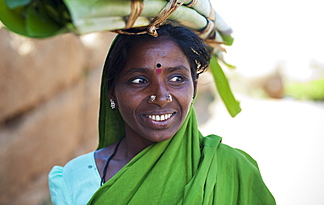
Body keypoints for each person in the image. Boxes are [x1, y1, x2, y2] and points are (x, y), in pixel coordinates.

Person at [48, 24, 276, 204]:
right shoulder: (76, 178)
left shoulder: (233, 171)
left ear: (194, 88)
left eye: (177, 79)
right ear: (113, 94)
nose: (161, 95)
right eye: (139, 80)